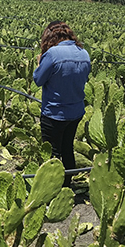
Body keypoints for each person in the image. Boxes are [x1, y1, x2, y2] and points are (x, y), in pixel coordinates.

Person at [33, 21, 91, 187]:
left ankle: (51, 187)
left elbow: (38, 80)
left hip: (54, 112)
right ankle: (66, 185)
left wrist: (39, 63)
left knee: (52, 153)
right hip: (76, 112)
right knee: (67, 149)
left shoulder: (52, 54)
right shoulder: (84, 53)